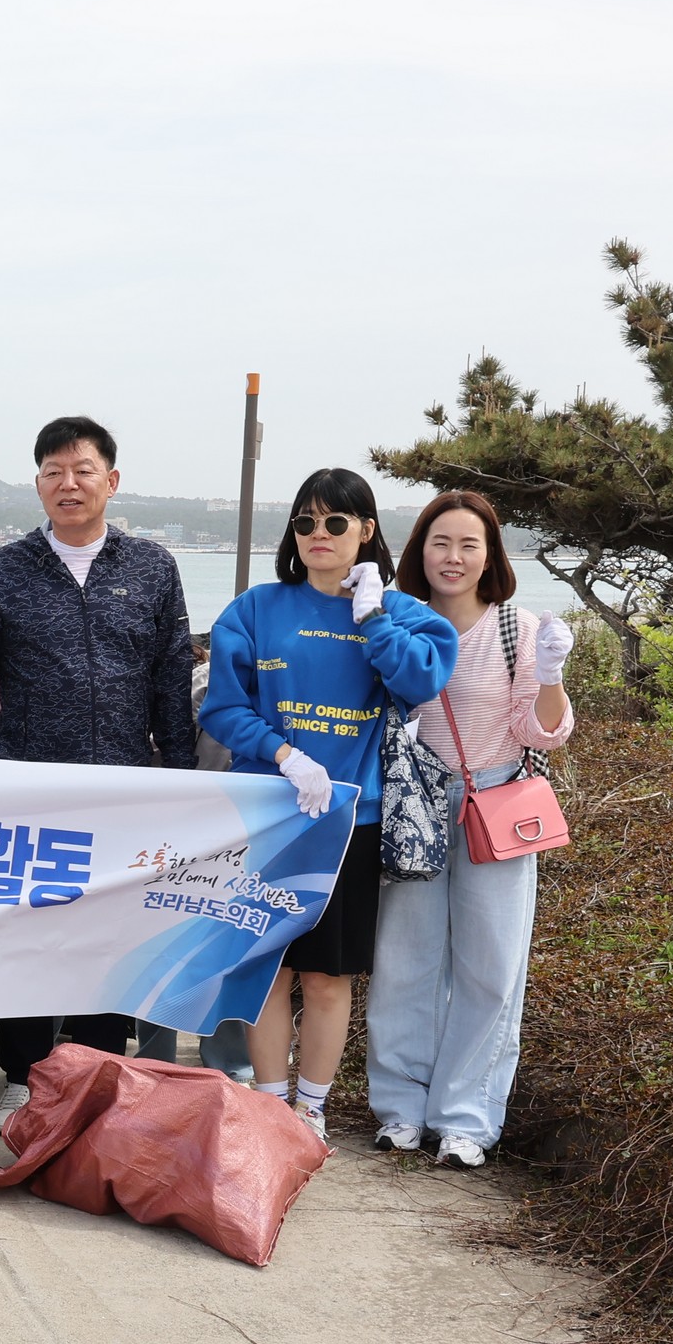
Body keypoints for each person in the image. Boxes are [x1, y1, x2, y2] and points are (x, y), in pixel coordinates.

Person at [0, 415, 197, 1119]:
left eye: (83, 470)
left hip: (121, 782)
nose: (69, 483)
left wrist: (177, 775)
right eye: (53, 472)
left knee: (108, 935)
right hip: (32, 784)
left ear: (111, 481)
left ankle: (96, 1074)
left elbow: (172, 679)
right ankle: (21, 1075)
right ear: (38, 485)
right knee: (33, 931)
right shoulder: (6, 567)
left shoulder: (152, 568)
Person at [200, 466, 459, 1145]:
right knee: (266, 968)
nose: (319, 534)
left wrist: (372, 618)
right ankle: (268, 1101)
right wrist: (284, 754)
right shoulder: (256, 608)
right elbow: (222, 708)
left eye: (336, 522)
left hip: (352, 821)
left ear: (367, 531)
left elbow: (422, 680)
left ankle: (310, 1109)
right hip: (267, 818)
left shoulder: (405, 615)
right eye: (306, 522)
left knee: (326, 975)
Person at [365, 489, 574, 1168]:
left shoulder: (516, 628)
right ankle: (399, 1108)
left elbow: (541, 731)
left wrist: (551, 673)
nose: (452, 557)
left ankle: (466, 1117)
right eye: (440, 543)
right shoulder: (399, 621)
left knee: (491, 967)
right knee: (404, 961)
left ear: (490, 557)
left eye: (468, 545)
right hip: (414, 805)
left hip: (497, 800)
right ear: (419, 552)